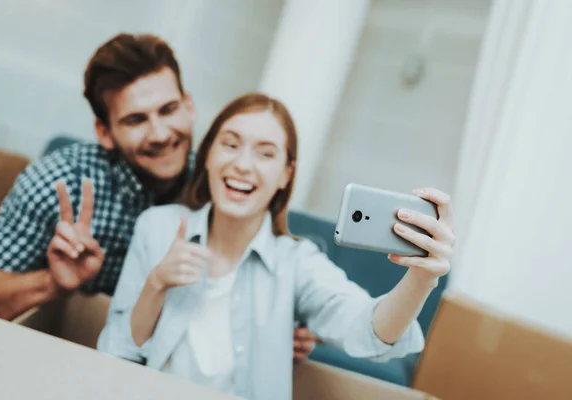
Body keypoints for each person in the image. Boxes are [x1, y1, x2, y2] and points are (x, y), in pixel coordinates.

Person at [0, 33, 316, 361]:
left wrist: (275, 331)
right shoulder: (60, 184)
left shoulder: (225, 186)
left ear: (189, 106)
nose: (161, 134)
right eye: (136, 120)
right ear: (104, 132)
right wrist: (54, 282)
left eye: (168, 110)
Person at [96, 93, 456, 400]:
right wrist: (157, 283)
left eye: (266, 154)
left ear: (286, 174)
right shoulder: (158, 228)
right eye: (230, 144)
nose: (242, 165)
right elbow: (114, 354)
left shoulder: (296, 263)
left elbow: (367, 330)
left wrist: (421, 280)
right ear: (207, 155)